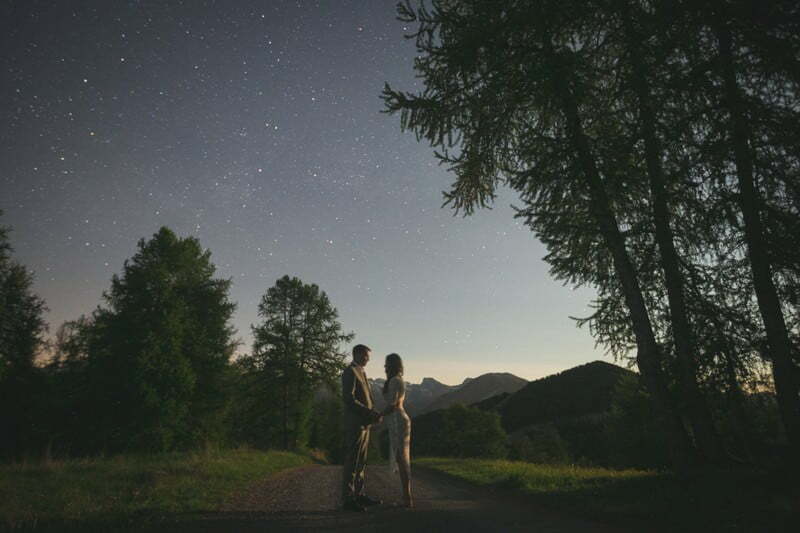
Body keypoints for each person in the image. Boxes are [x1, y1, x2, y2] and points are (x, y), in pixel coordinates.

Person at [341, 344, 383, 512]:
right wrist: (369, 413)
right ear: (357, 354)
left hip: (364, 423)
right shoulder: (350, 371)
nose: (368, 359)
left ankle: (359, 494)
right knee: (353, 461)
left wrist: (371, 415)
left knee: (361, 461)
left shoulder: (361, 371)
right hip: (355, 424)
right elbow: (348, 399)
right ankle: (348, 499)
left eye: (368, 356)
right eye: (365, 356)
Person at [381, 353, 413, 508]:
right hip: (398, 420)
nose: (385, 367)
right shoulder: (398, 380)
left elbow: (392, 404)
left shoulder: (394, 380)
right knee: (402, 458)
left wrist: (378, 416)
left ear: (392, 365)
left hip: (397, 420)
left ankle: (407, 498)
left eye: (387, 364)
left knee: (401, 458)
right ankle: (406, 497)